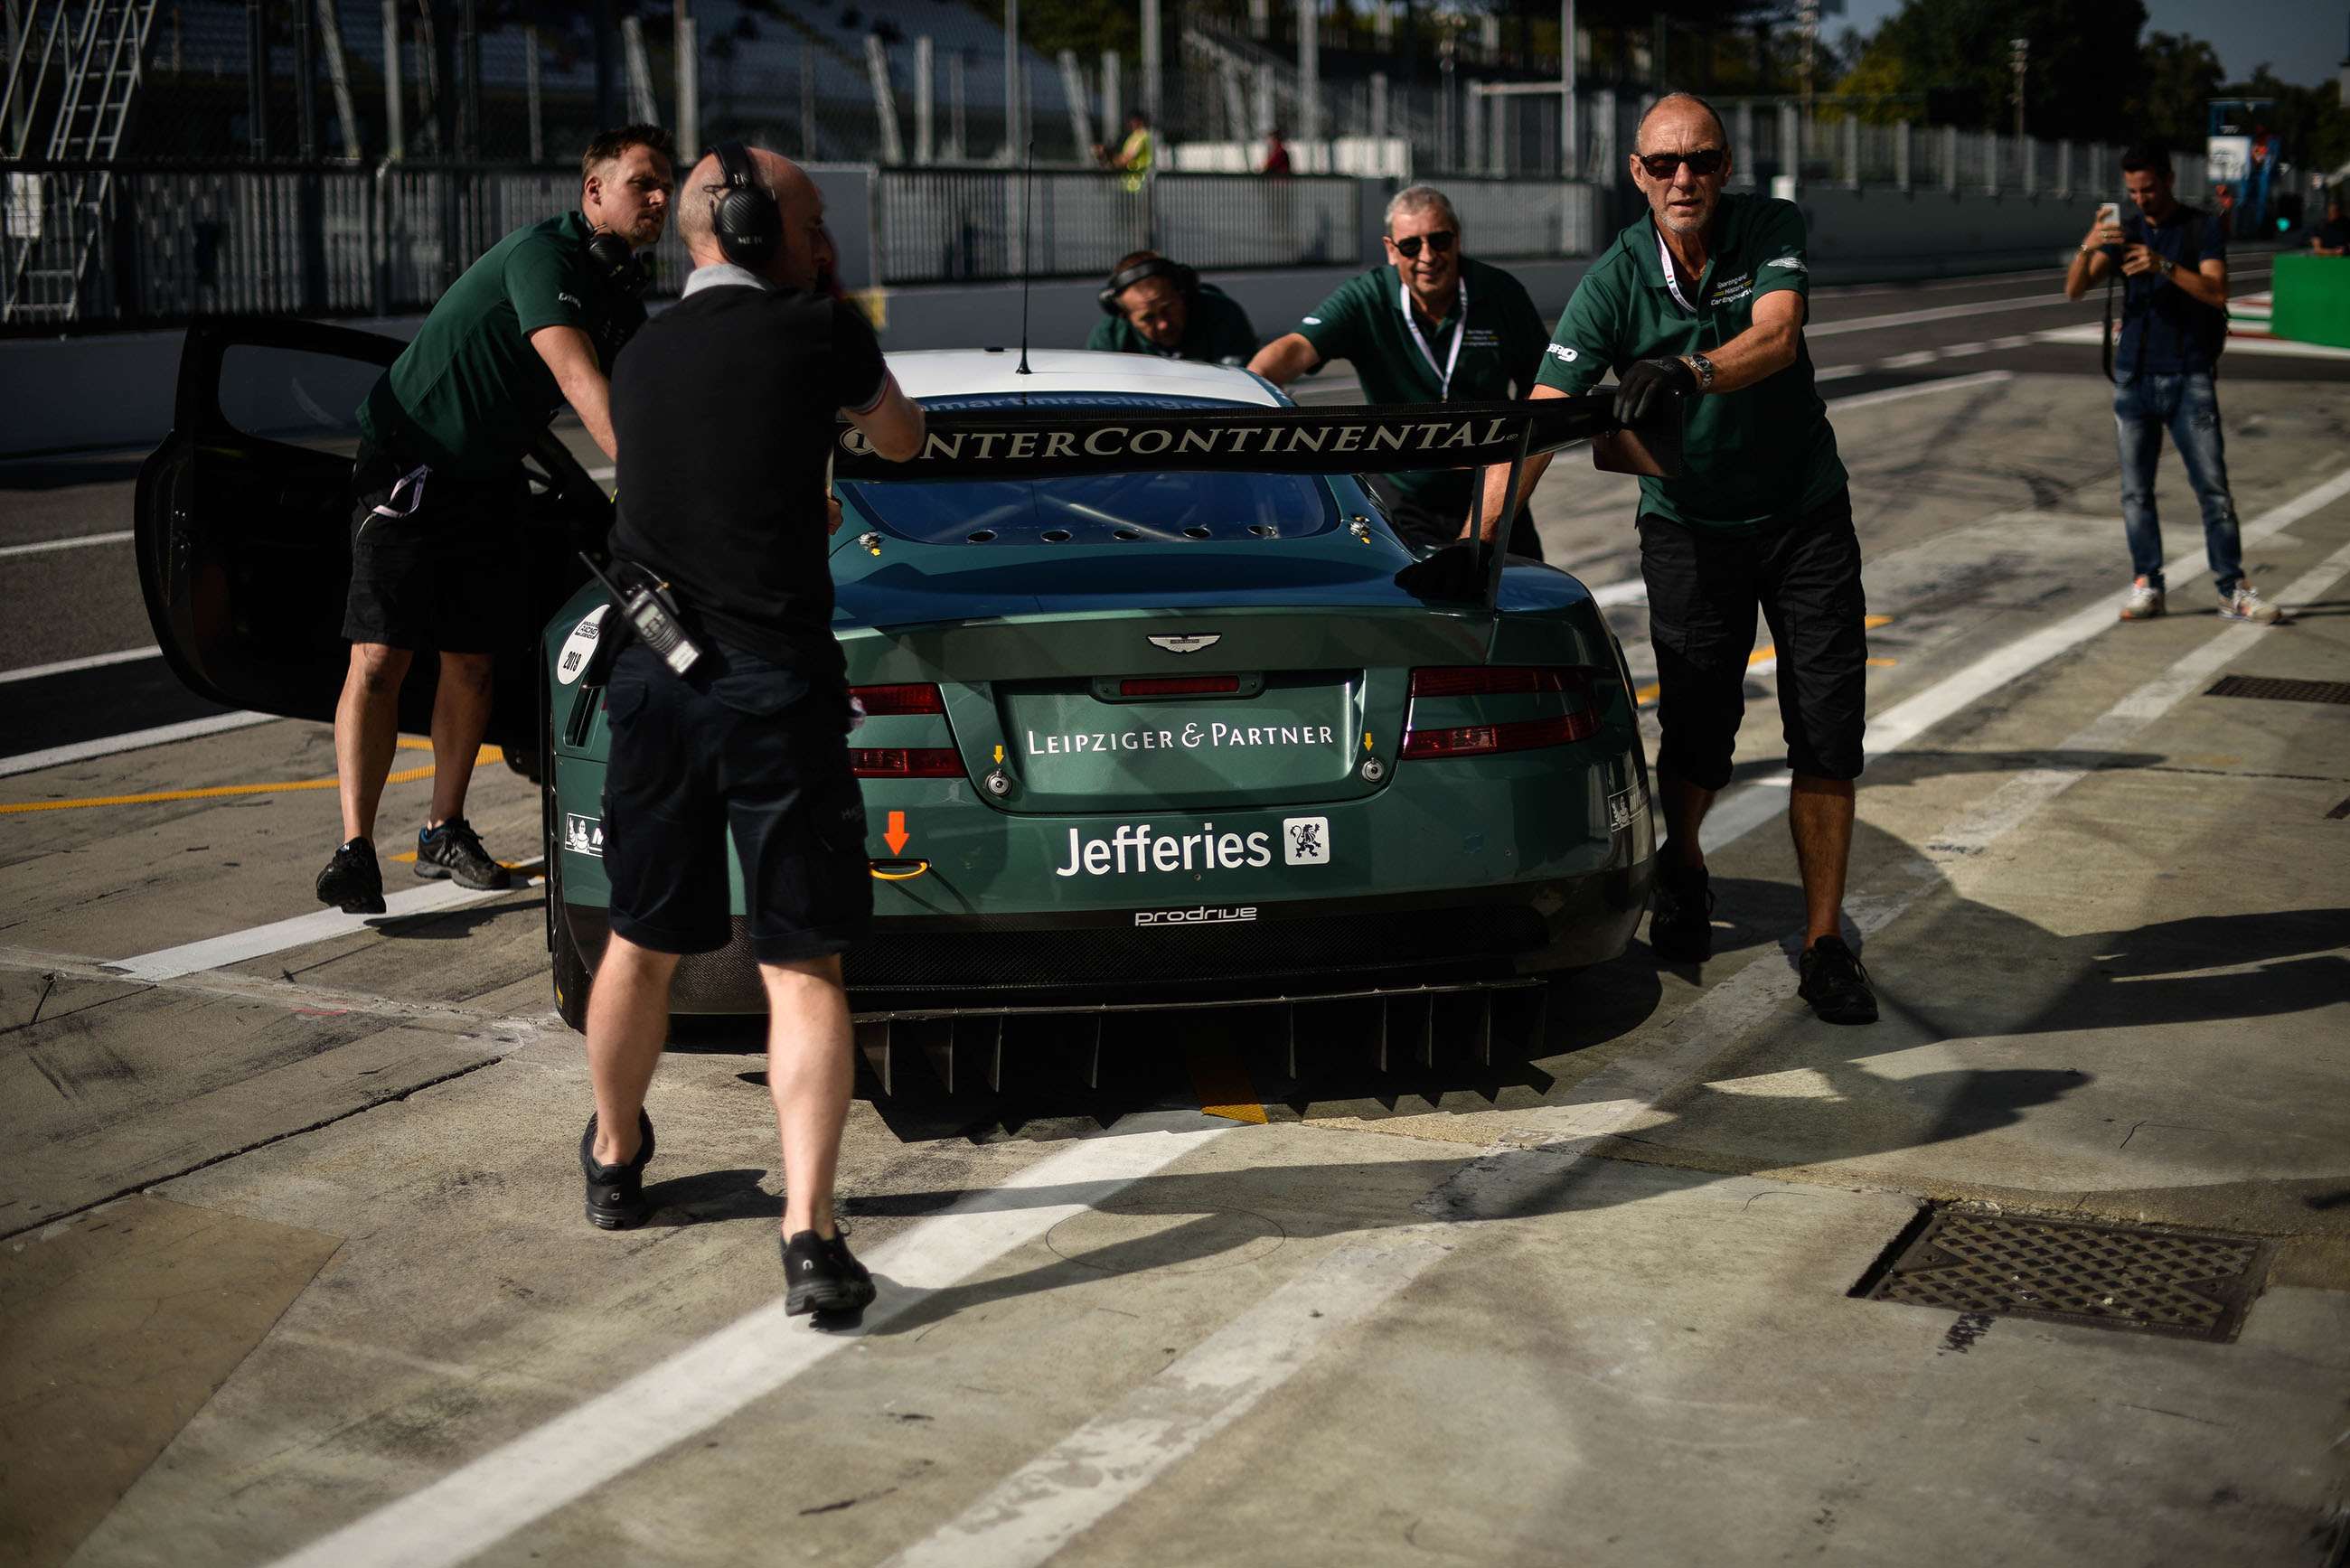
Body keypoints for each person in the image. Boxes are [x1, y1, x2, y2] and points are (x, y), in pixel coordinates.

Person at [581, 144, 926, 1319]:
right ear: (749, 221)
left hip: (657, 677)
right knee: (801, 961)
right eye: (812, 218)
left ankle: (618, 1155)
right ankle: (811, 1235)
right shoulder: (818, 329)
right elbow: (904, 439)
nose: (824, 238)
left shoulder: (638, 350)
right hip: (776, 684)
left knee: (641, 938)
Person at [1468, 90, 1876, 1025]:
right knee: (1696, 726)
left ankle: (1822, 941)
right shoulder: (1615, 276)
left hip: (1804, 516)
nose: (1683, 178)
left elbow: (1776, 335)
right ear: (1636, 175)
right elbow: (1541, 413)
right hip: (1689, 530)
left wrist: (1688, 369)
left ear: (1726, 167)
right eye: (1663, 164)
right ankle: (1683, 863)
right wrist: (1469, 544)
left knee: (1826, 727)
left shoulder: (1768, 224)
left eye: (1700, 160)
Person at [315, 126, 673, 915]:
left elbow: (653, 396)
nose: (659, 199)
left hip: (487, 479)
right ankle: (355, 848)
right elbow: (582, 384)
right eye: (643, 183)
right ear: (593, 192)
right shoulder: (543, 257)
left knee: (472, 664)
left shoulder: (620, 289)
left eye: (666, 188)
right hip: (407, 462)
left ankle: (442, 830)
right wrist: (661, 496)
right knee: (380, 657)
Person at [1247, 184, 1551, 559]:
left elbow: (1544, 385)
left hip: (1489, 487)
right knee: (1415, 603)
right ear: (1392, 250)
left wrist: (1513, 458)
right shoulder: (1367, 296)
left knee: (1525, 594)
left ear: (1457, 239)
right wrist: (1252, 385)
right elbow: (1295, 349)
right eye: (1411, 246)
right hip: (1402, 492)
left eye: (1439, 240)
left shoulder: (1499, 292)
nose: (1427, 257)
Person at [2064, 145, 2280, 625]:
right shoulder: (2125, 231)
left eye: (2149, 189)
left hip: (2189, 375)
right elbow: (2075, 289)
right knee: (2135, 492)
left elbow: (2217, 290)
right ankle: (2147, 583)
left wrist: (2162, 265)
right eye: (2133, 192)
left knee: (2214, 490)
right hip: (2134, 376)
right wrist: (2091, 241)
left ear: (2168, 180)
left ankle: (2232, 588)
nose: (2141, 199)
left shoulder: (2200, 226)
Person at [1086, 250, 1260, 365]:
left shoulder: (1223, 315)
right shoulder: (1108, 337)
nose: (1163, 324)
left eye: (1168, 308)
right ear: (1124, 315)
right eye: (1148, 318)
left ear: (1183, 293)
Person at [1094, 109, 1154, 193]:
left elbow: (1127, 158)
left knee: (1132, 206)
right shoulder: (1137, 136)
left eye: (1132, 120)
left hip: (1136, 186)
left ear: (1138, 121)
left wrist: (1109, 162)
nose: (1130, 123)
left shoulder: (1139, 136)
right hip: (1133, 185)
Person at [2310, 190, 2347, 256]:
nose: (2334, 214)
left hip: (2343, 260)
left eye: (2336, 211)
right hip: (2325, 261)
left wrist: (2345, 250)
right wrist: (2334, 252)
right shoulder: (2318, 225)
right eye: (2331, 211)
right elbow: (2317, 250)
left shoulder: (2345, 223)